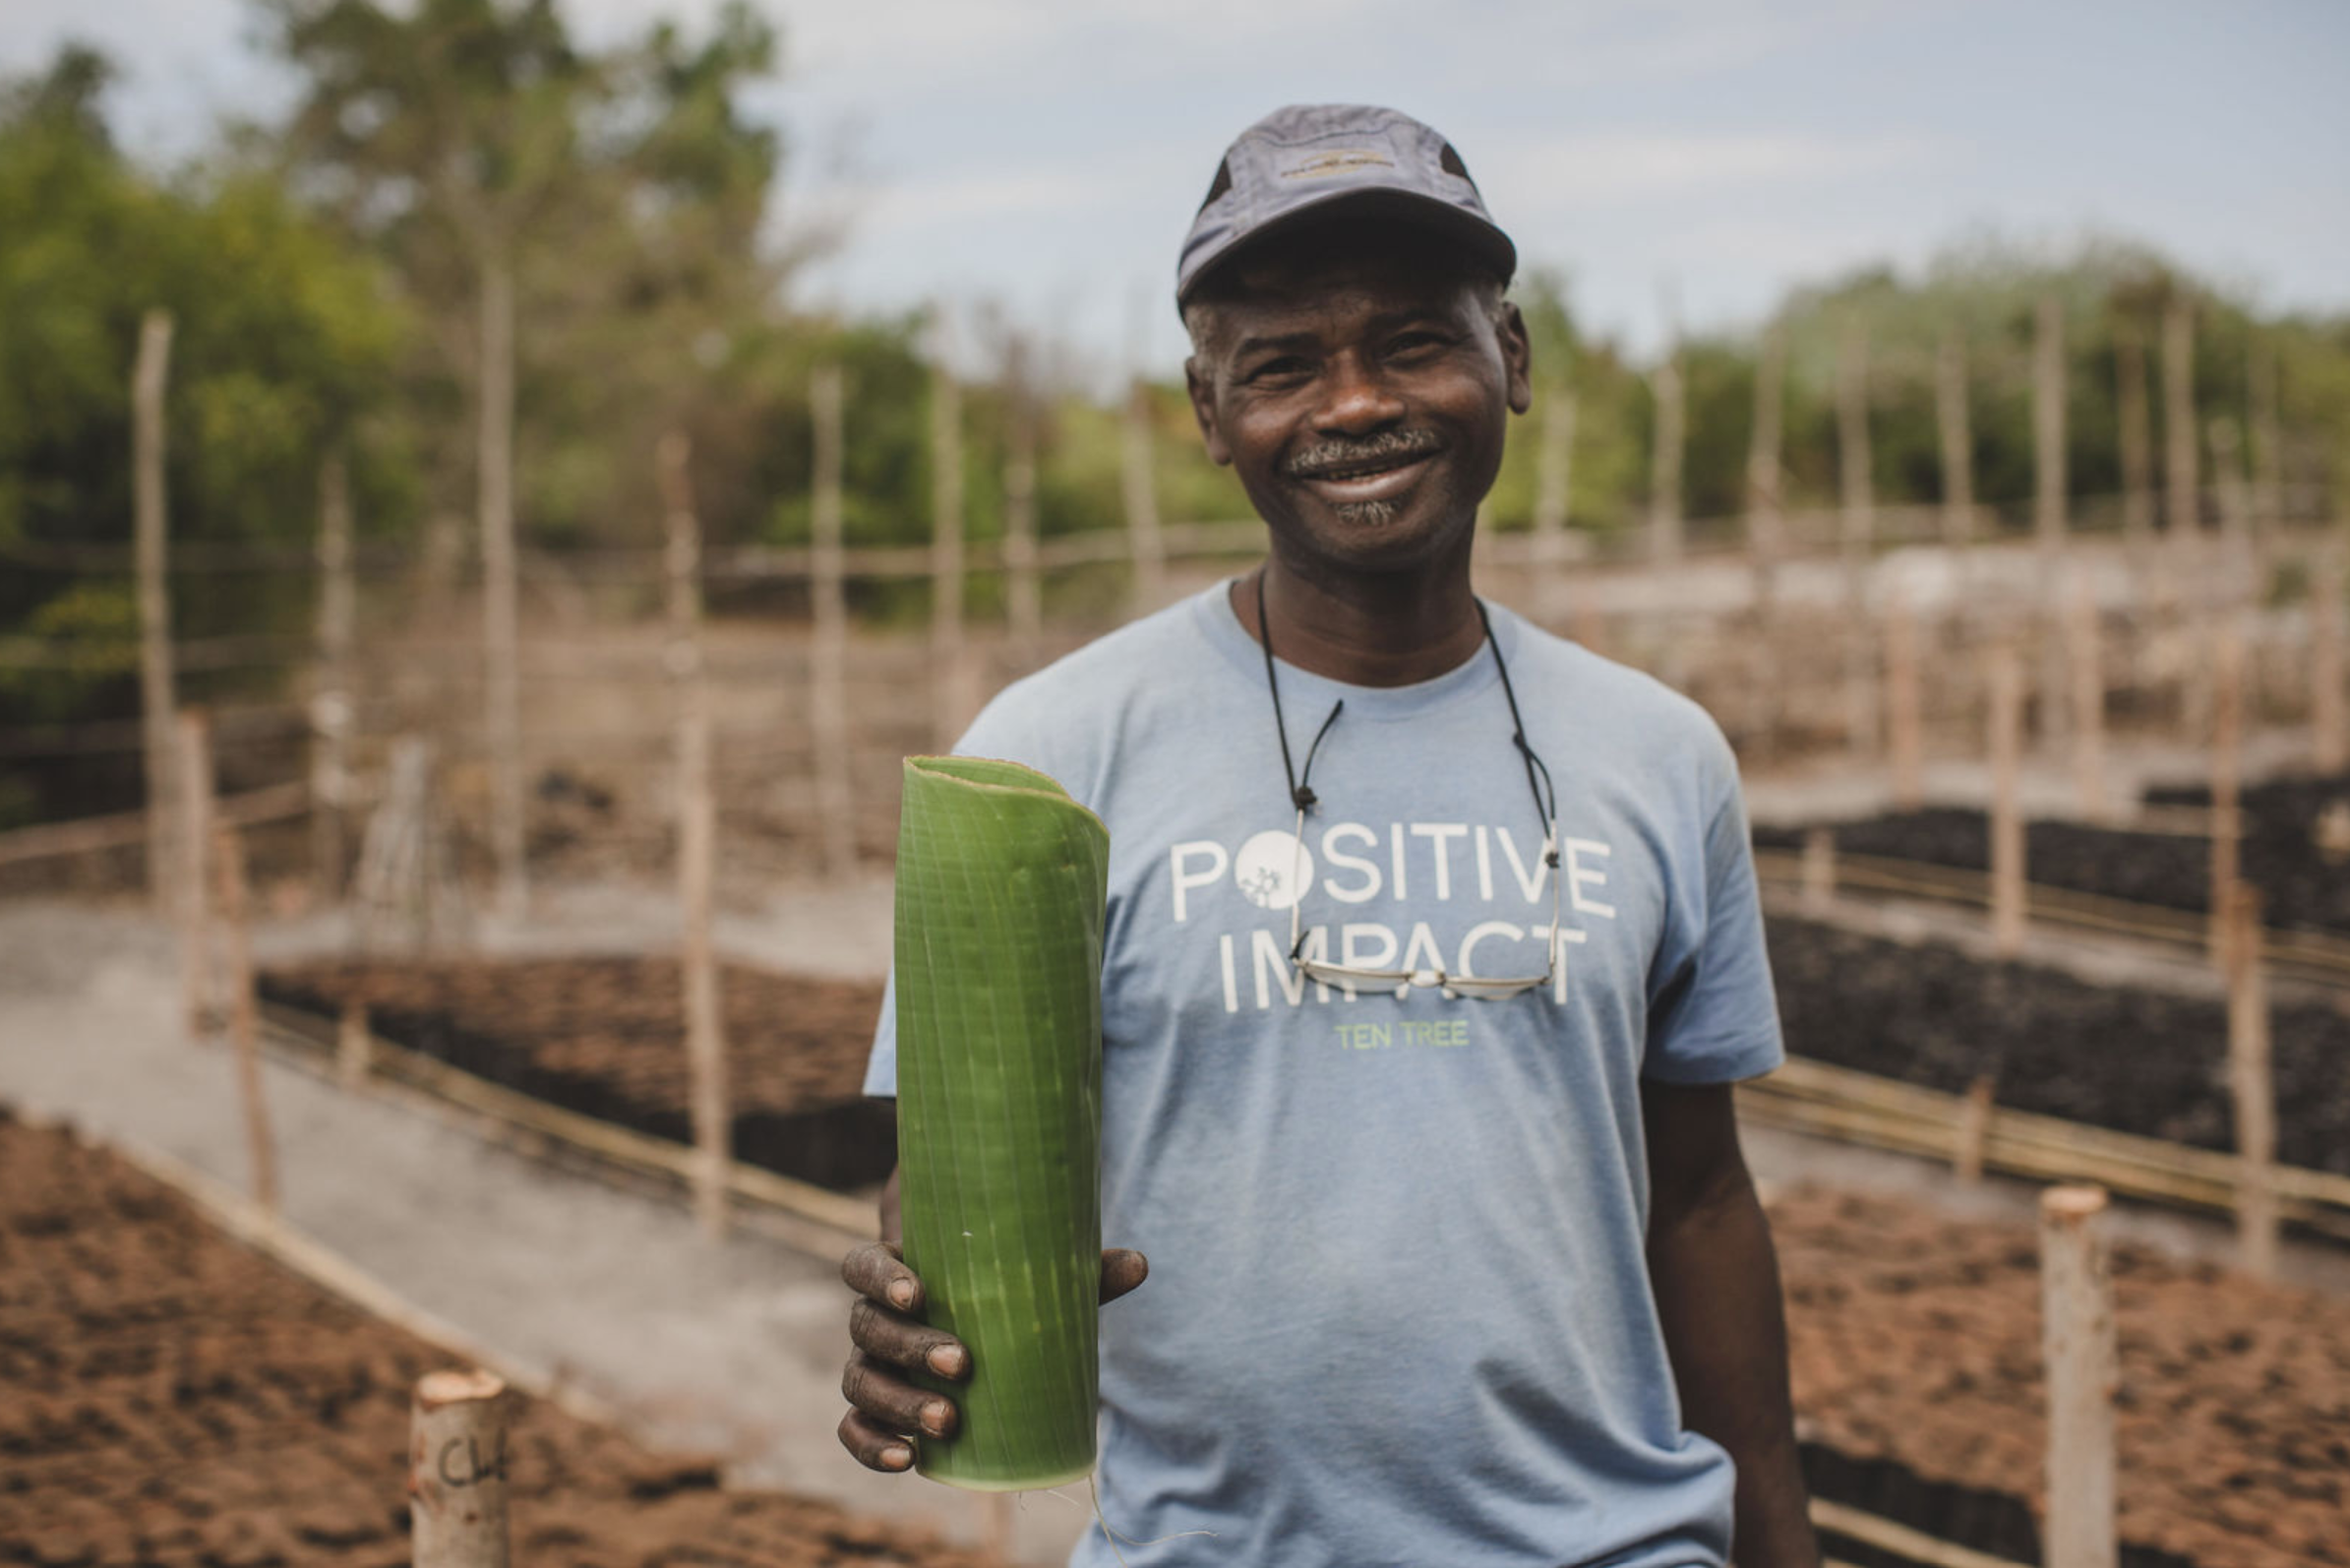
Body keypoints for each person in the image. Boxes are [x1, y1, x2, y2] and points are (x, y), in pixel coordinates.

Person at [839, 103, 1819, 1568]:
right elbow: (951, 1171)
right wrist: (915, 1315)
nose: (1355, 404)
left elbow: (1701, 1198)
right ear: (1208, 413)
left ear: (1512, 359)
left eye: (1414, 341)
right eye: (1282, 365)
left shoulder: (1660, 756)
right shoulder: (1048, 760)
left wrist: (1782, 1541)